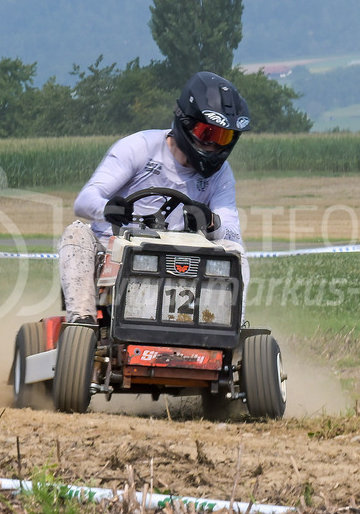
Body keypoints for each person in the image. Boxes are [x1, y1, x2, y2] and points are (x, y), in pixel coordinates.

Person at [59, 71, 251, 324]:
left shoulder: (221, 175)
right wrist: (107, 209)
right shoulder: (140, 147)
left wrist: (211, 222)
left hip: (181, 262)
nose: (214, 147)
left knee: (234, 252)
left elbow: (234, 236)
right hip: (114, 251)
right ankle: (82, 321)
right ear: (186, 122)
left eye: (223, 138)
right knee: (77, 233)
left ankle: (227, 328)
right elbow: (84, 200)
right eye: (208, 135)